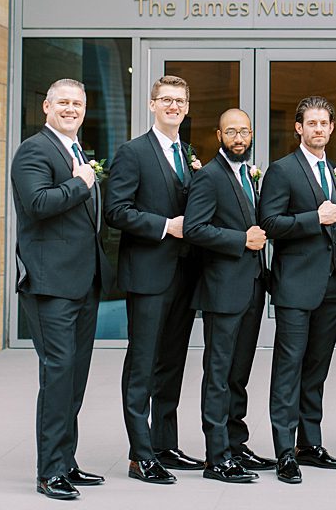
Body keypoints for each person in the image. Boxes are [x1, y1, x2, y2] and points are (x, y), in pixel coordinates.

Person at [11, 79, 111, 501]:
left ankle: (66, 461)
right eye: (63, 103)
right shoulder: (34, 150)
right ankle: (49, 471)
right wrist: (82, 182)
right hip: (51, 284)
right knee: (57, 375)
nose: (71, 109)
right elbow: (37, 203)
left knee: (74, 378)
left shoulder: (75, 151)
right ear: (46, 107)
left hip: (82, 283)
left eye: (77, 103)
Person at [104, 75, 203, 484]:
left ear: (186, 106)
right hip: (148, 273)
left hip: (185, 273)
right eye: (166, 99)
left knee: (172, 363)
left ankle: (165, 444)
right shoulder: (133, 152)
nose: (173, 106)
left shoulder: (188, 152)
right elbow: (116, 210)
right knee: (142, 364)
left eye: (179, 100)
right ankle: (139, 454)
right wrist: (165, 225)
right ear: (151, 104)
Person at [257, 94, 336, 485]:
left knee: (316, 369)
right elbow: (269, 223)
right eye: (310, 123)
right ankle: (284, 452)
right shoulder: (282, 170)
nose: (318, 129)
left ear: (331, 128)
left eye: (324, 124)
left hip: (334, 284)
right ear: (299, 128)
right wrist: (314, 218)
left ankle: (309, 444)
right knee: (289, 368)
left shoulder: (334, 170)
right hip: (296, 286)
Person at [183, 108, 271, 484]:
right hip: (222, 291)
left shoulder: (249, 175)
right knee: (218, 375)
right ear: (219, 136)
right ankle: (216, 457)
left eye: (245, 131)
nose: (239, 138)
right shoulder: (209, 177)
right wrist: (241, 240)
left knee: (239, 374)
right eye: (231, 131)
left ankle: (237, 444)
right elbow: (194, 228)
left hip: (252, 287)